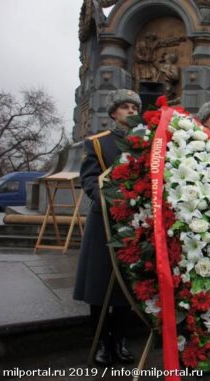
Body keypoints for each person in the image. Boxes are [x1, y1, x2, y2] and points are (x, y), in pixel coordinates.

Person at [74, 89, 139, 366]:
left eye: (135, 108)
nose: (131, 112)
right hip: (104, 223)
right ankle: (101, 340)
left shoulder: (145, 145)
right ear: (114, 113)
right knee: (100, 283)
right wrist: (108, 201)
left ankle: (120, 339)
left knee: (127, 284)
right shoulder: (98, 143)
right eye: (125, 107)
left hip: (135, 223)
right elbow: (89, 180)